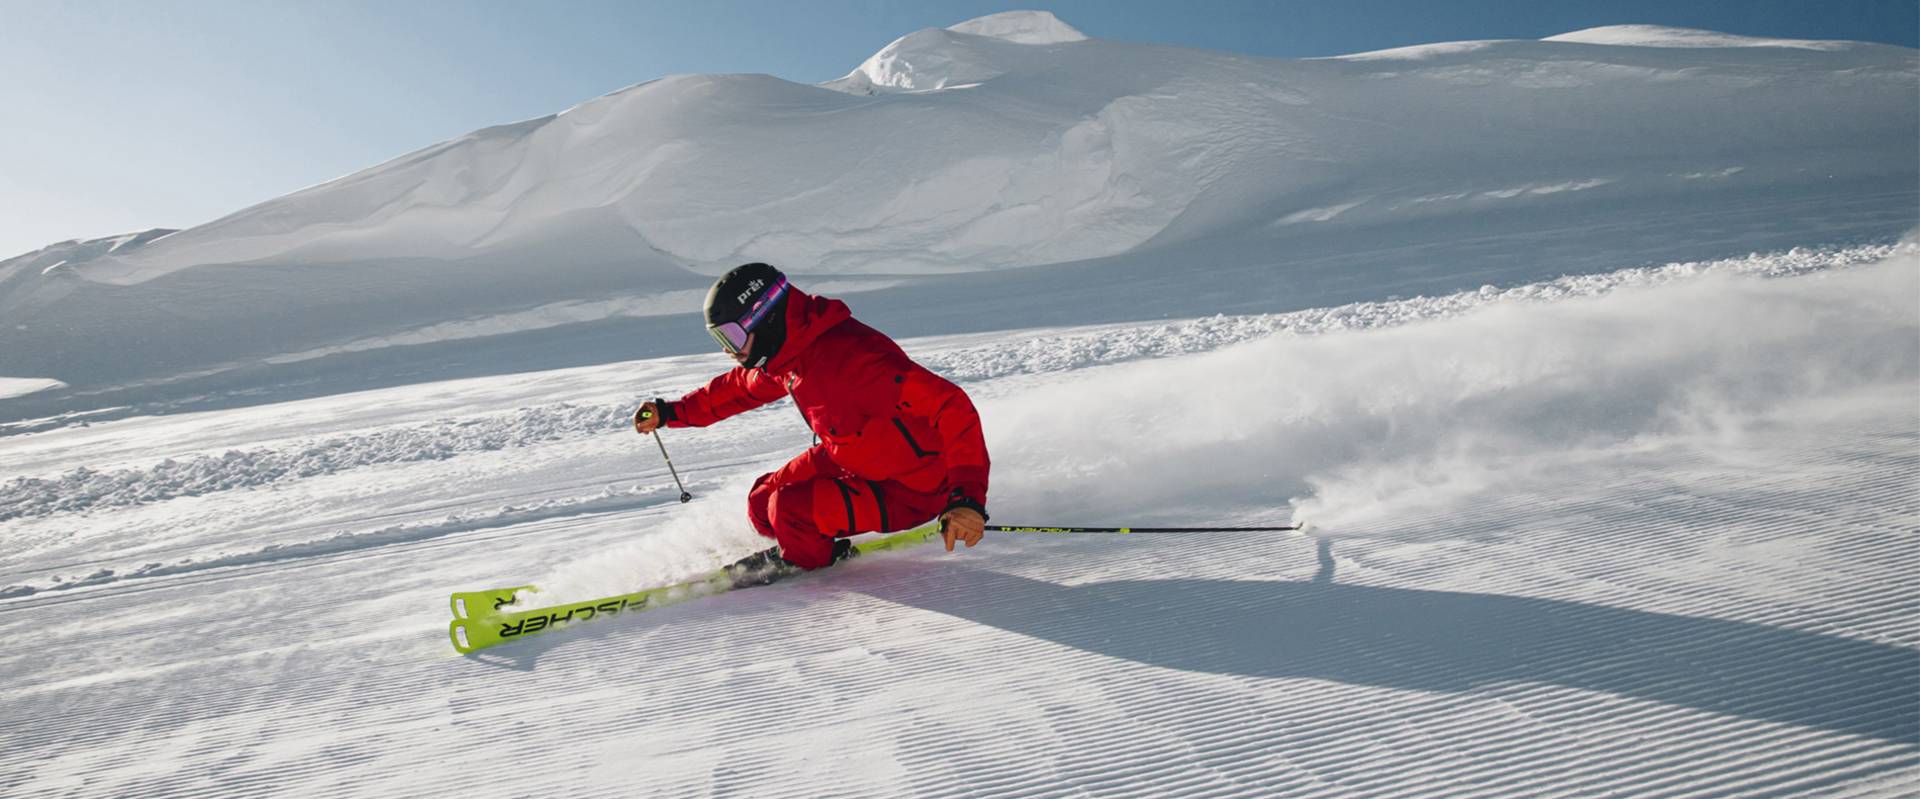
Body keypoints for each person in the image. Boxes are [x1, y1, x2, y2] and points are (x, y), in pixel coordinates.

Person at [634, 263, 990, 584]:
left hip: (913, 487)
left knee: (789, 509)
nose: (729, 350)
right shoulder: (790, 354)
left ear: (767, 318)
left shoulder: (856, 360)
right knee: (762, 503)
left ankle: (807, 560)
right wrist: (672, 413)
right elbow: (739, 389)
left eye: (734, 336)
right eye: (721, 339)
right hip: (853, 456)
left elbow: (952, 407)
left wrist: (966, 500)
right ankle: (807, 538)